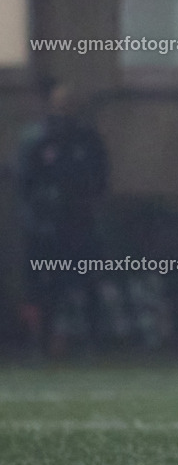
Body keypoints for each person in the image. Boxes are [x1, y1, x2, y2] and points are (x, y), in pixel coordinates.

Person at [16, 79, 108, 356]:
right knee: (43, 285)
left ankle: (92, 339)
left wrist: (87, 206)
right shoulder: (37, 137)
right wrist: (38, 213)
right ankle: (40, 340)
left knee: (86, 281)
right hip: (44, 226)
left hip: (78, 224)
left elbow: (100, 176)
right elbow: (25, 181)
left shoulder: (86, 138)